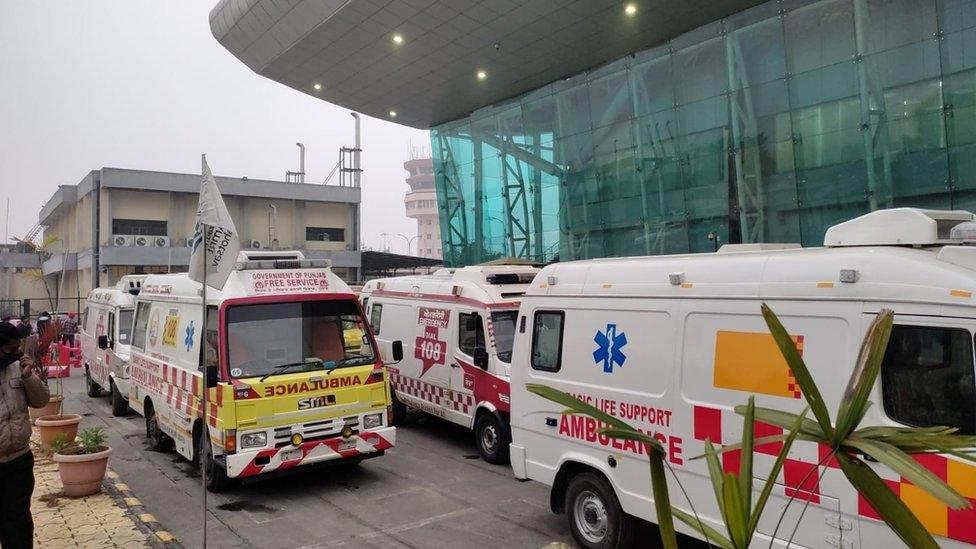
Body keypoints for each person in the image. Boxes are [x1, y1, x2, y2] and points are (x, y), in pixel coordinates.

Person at [0, 321, 50, 548]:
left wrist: (29, 377)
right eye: (11, 349)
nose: (17, 353)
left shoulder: (18, 367)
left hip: (19, 460)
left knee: (18, 522)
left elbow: (41, 401)